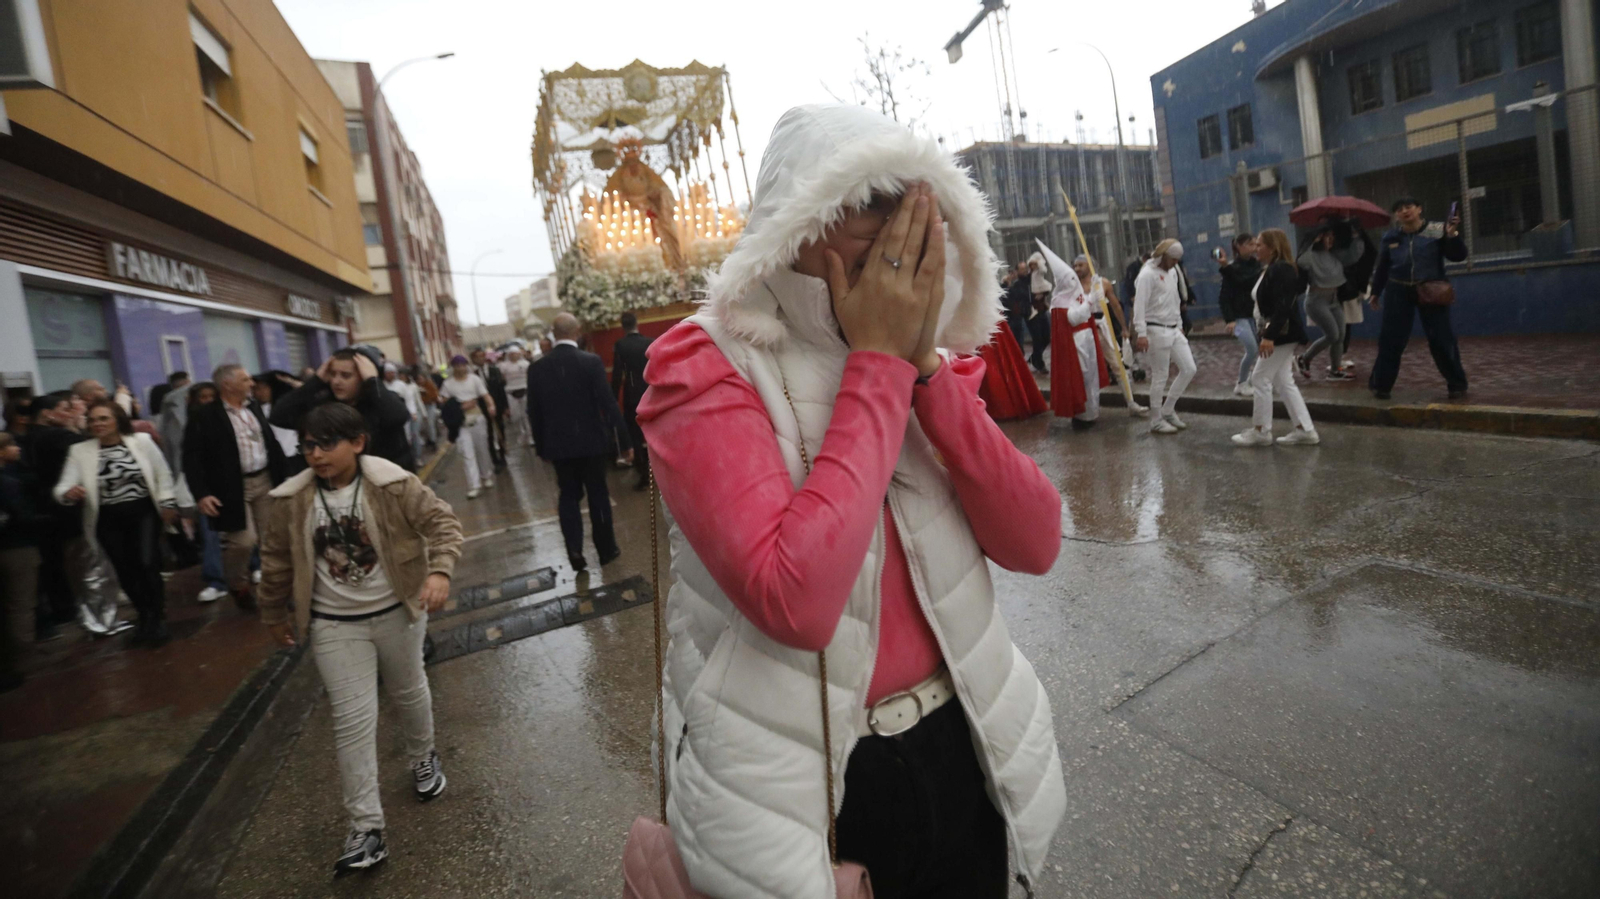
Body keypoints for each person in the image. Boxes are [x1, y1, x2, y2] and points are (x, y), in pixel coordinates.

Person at [635, 105, 1065, 899]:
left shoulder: (929, 360)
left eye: (917, 203)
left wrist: (924, 374)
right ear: (799, 220)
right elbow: (795, 600)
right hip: (808, 784)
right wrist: (875, 365)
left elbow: (1036, 540)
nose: (904, 231)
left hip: (959, 737)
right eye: (873, 203)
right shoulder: (706, 365)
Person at [257, 403, 461, 876]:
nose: (316, 455)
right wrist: (272, 612)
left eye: (327, 444)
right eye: (308, 445)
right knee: (352, 721)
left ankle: (422, 756)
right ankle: (366, 830)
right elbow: (276, 561)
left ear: (357, 443)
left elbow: (443, 525)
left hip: (397, 614)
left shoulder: (394, 486)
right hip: (333, 625)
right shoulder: (291, 501)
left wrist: (439, 571)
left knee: (409, 692)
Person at [55, 399, 177, 644]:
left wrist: (167, 502)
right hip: (107, 517)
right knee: (124, 568)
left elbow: (162, 472)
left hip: (142, 511)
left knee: (146, 562)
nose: (97, 424)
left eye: (103, 418)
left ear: (117, 420)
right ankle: (144, 616)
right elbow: (63, 486)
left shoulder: (141, 441)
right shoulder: (80, 451)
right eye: (92, 420)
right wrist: (68, 493)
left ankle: (157, 617)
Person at [526, 313, 628, 571]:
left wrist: (541, 447)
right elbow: (608, 403)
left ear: (553, 333)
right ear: (578, 331)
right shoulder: (590, 362)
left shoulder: (537, 368)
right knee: (598, 495)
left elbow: (533, 412)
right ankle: (606, 550)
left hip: (559, 447)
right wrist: (623, 439)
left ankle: (574, 548)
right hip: (592, 442)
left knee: (568, 496)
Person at [183, 364, 290, 610]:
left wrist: (285, 477)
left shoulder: (253, 408)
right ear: (228, 385)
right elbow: (192, 458)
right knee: (243, 542)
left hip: (264, 480)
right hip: (231, 487)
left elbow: (270, 443)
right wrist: (201, 494)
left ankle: (280, 593)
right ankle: (237, 584)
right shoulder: (205, 415)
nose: (251, 383)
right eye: (245, 379)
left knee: (272, 541)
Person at [32, 391, 126, 636]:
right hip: (74, 514)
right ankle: (100, 620)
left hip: (56, 514)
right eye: (68, 408)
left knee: (83, 568)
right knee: (91, 569)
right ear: (48, 414)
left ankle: (98, 617)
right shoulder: (60, 438)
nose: (78, 413)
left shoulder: (34, 438)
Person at [1367, 197, 1469, 400]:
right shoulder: (1391, 237)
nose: (1404, 212)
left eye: (1408, 207)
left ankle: (1457, 384)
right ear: (1396, 215)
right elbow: (1383, 267)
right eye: (1399, 209)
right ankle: (1381, 385)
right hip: (1398, 290)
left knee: (1441, 338)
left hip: (1431, 289)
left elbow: (1458, 256)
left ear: (1419, 209)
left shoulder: (1438, 229)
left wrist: (1452, 235)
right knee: (1391, 340)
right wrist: (1376, 292)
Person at [1232, 229, 1319, 447]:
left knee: (1260, 378)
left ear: (1273, 248)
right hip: (1280, 333)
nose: (1256, 248)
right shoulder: (1272, 268)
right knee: (1284, 381)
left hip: (1281, 334)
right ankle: (1305, 429)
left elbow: (1284, 305)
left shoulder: (1282, 269)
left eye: (1260, 244)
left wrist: (1269, 336)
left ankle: (1261, 431)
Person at [272, 346, 414, 473]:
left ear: (363, 377)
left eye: (346, 375)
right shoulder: (323, 407)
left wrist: (372, 381)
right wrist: (316, 381)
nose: (336, 381)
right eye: (332, 374)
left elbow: (398, 417)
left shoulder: (381, 402)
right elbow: (279, 416)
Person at [1133, 239, 1198, 435]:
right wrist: (1141, 333)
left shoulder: (1172, 272)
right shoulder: (1147, 275)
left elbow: (1175, 300)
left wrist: (1178, 324)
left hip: (1172, 328)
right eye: (1173, 259)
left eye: (1178, 260)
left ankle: (1168, 409)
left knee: (1189, 369)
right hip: (1155, 329)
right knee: (1160, 375)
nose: (1176, 263)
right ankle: (1156, 420)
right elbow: (1139, 306)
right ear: (1164, 255)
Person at [1295, 226, 1363, 381]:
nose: (1331, 239)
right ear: (1320, 238)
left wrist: (1356, 237)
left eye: (1333, 235)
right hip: (1316, 301)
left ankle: (1335, 370)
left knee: (1340, 336)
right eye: (1327, 236)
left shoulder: (1334, 255)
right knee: (1332, 335)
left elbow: (1353, 256)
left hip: (1334, 300)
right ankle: (1304, 358)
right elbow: (1300, 260)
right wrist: (1313, 241)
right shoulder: (1311, 255)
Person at [1050, 256, 1110, 427]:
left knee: (1092, 375)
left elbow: (1089, 310)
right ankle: (1082, 415)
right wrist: (1090, 298)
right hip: (1075, 341)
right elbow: (1074, 318)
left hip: (1087, 337)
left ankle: (1092, 412)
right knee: (1082, 376)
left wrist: (1095, 296)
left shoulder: (1076, 295)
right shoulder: (1059, 299)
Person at [0, 432, 40, 689]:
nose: (17, 448)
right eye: (11, 444)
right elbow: (23, 517)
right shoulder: (8, 483)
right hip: (16, 547)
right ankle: (21, 659)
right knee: (21, 604)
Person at [438, 355, 495, 499]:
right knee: (467, 454)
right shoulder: (448, 384)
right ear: (453, 367)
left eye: (462, 365)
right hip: (461, 423)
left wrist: (491, 405)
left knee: (482, 449)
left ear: (466, 365)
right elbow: (444, 402)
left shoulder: (474, 379)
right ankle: (474, 485)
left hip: (477, 419)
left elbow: (485, 395)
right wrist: (460, 407)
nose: (460, 368)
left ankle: (486, 475)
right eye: (456, 365)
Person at [609, 312, 653, 491]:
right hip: (651, 391)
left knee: (635, 434)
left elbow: (618, 374)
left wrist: (613, 397)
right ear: (637, 323)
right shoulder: (649, 342)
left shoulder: (620, 345)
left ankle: (643, 473)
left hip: (632, 394)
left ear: (623, 326)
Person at [1218, 233, 1263, 397]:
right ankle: (1241, 382)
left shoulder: (1257, 265)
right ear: (1239, 246)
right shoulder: (1232, 268)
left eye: (1255, 244)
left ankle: (1250, 378)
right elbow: (1224, 297)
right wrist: (1229, 320)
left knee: (1258, 349)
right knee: (1251, 349)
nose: (1254, 248)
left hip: (1254, 315)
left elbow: (1250, 282)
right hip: (1237, 319)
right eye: (1250, 244)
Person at [469, 348, 510, 470]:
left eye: (482, 356)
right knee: (488, 434)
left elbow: (501, 390)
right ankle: (494, 459)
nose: (480, 359)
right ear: (473, 359)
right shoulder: (472, 374)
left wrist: (505, 407)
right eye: (477, 357)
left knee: (500, 430)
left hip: (496, 405)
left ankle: (502, 455)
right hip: (481, 408)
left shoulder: (494, 370)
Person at [253, 374, 302, 458]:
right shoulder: (255, 410)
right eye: (256, 389)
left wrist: (290, 381)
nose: (259, 392)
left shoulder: (285, 406)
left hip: (293, 453)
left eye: (264, 387)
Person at [497, 346, 533, 449]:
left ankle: (530, 435)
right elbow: (502, 379)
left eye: (515, 353)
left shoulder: (525, 364)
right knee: (516, 416)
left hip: (524, 390)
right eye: (511, 354)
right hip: (511, 392)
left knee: (526, 415)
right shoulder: (503, 366)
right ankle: (521, 434)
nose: (513, 355)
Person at [1025, 251, 1052, 373]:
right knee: (1037, 338)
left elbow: (1043, 270)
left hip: (1042, 310)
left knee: (1046, 336)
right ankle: (1039, 362)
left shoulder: (1039, 275)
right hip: (1032, 312)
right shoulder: (1027, 279)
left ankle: (1034, 358)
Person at [1002, 260, 1032, 347]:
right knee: (1016, 342)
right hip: (1012, 317)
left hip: (1022, 315)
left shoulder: (1022, 283)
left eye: (1025, 269)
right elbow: (1006, 299)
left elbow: (1019, 295)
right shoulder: (1007, 286)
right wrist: (1006, 285)